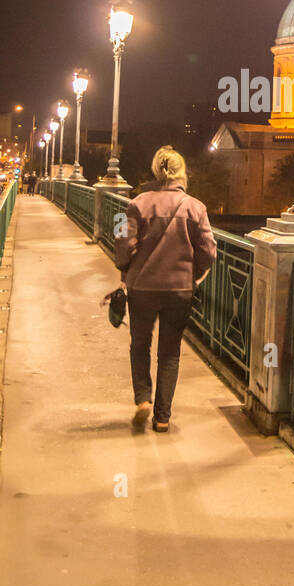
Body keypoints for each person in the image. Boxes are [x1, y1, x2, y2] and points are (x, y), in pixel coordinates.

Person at [113, 145, 216, 432]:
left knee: (140, 344)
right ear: (182, 173)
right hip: (179, 289)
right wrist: (192, 273)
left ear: (157, 172)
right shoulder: (196, 207)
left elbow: (123, 244)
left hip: (142, 288)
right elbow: (208, 251)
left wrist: (126, 269)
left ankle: (143, 399)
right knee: (170, 353)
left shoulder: (136, 204)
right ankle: (162, 418)